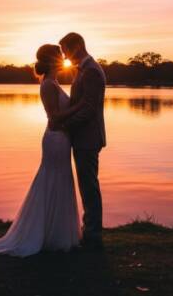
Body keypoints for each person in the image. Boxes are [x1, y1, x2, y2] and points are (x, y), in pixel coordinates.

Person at [0, 44, 82, 257]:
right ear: (53, 59)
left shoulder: (53, 82)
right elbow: (54, 118)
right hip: (55, 139)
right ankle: (46, 235)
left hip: (61, 139)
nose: (64, 57)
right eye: (60, 55)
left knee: (61, 181)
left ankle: (57, 234)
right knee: (52, 181)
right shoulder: (47, 85)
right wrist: (79, 107)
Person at [53, 32, 106, 250]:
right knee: (86, 185)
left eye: (65, 50)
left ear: (77, 46)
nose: (65, 56)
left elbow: (88, 109)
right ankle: (89, 230)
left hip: (88, 137)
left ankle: (93, 234)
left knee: (89, 186)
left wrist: (65, 125)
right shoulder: (83, 70)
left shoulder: (92, 71)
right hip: (82, 137)